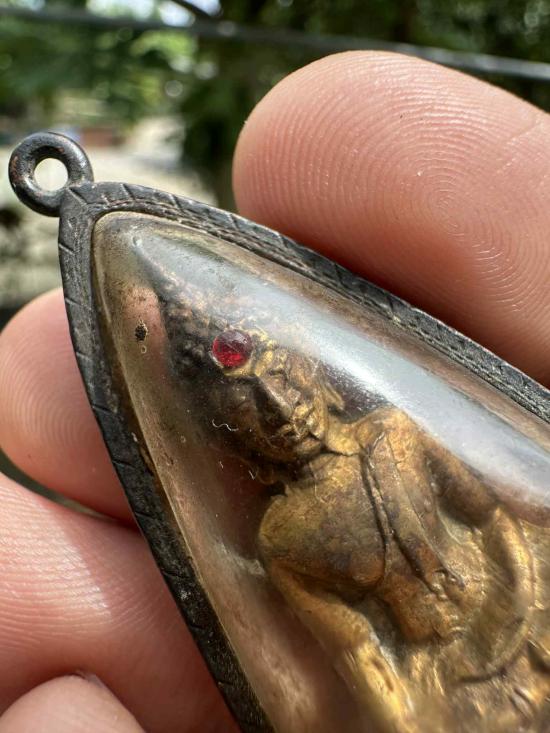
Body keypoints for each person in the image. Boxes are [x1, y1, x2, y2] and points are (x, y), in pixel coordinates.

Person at [0, 51, 549, 732]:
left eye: (285, 377)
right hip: (452, 689)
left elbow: (494, 512)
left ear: (316, 376)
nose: (281, 409)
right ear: (230, 435)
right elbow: (360, 655)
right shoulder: (284, 538)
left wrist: (524, 595)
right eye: (248, 408)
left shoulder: (395, 431)